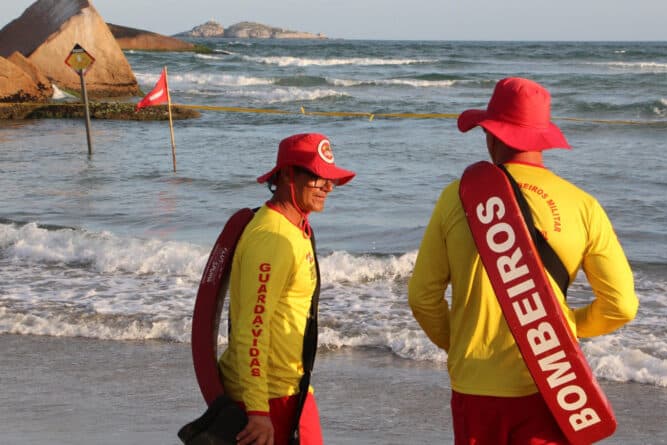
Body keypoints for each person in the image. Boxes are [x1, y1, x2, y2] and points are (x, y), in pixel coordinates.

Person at [407, 77, 639, 445]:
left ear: (492, 134)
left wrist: (461, 344)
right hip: (553, 380)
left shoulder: (456, 197)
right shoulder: (583, 205)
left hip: (475, 385)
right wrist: (566, 328)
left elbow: (422, 295)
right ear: (542, 138)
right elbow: (622, 306)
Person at [219, 133, 355, 445]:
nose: (328, 187)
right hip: (270, 398)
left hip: (292, 390)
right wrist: (257, 411)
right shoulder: (272, 237)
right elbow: (251, 327)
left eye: (329, 179)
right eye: (317, 177)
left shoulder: (295, 228)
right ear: (287, 175)